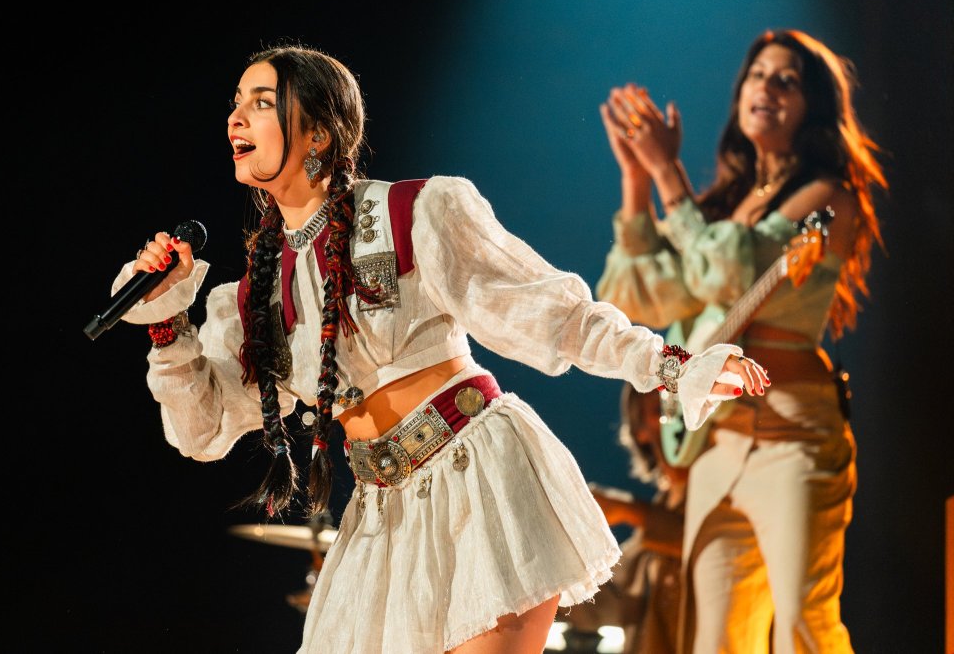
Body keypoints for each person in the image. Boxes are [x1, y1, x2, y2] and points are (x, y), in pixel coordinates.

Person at [109, 43, 768, 654]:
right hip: (379, 515)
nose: (235, 118)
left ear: (318, 132)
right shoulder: (252, 295)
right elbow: (204, 429)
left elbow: (552, 315)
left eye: (259, 101)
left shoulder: (415, 213)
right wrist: (168, 325)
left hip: (479, 485)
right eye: (235, 102)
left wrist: (675, 366)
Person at [596, 29, 887, 653]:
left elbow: (727, 271)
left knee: (803, 625)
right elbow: (643, 296)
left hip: (793, 432)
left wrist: (668, 171)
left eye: (788, 81)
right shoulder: (726, 204)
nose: (768, 88)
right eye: (758, 75)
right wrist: (637, 179)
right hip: (715, 445)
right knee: (717, 640)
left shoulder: (826, 196)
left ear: (815, 107)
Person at [560, 383, 688, 653]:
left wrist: (627, 510)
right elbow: (604, 599)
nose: (676, 417)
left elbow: (704, 544)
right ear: (639, 429)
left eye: (681, 405)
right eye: (660, 408)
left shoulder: (720, 487)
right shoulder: (662, 509)